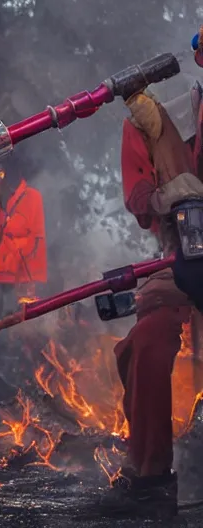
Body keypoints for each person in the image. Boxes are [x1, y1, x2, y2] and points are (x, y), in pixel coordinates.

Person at [99, 79, 203, 519]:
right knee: (146, 342)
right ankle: (152, 476)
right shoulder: (159, 119)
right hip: (184, 260)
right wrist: (169, 195)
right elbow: (139, 200)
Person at [0, 159, 47, 359]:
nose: (5, 172)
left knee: (9, 326)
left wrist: (28, 279)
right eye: (3, 168)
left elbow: (36, 240)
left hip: (15, 275)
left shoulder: (32, 197)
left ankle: (6, 364)